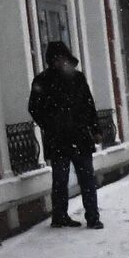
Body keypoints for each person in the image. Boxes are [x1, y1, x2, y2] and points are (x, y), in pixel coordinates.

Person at [28, 40, 102, 230]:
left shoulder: (77, 79)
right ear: (51, 61)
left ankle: (93, 217)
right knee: (61, 180)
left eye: (62, 58)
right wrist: (50, 125)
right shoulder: (42, 81)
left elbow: (88, 104)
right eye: (56, 59)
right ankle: (60, 216)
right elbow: (34, 108)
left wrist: (95, 129)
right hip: (59, 138)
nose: (60, 62)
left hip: (78, 136)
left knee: (87, 179)